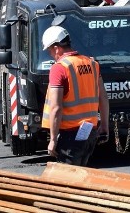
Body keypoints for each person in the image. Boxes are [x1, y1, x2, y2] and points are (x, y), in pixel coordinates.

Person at [40, 24, 109, 165]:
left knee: (67, 181)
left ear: (56, 48)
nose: (51, 55)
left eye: (49, 51)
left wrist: (52, 139)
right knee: (81, 176)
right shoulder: (92, 64)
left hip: (69, 136)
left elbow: (56, 108)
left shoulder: (59, 68)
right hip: (90, 132)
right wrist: (105, 126)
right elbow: (103, 98)